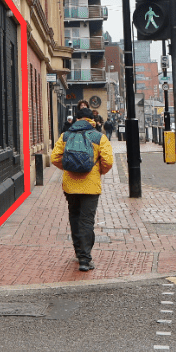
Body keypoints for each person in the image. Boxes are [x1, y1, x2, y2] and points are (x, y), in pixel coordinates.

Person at [50, 109, 114, 273]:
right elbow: (108, 161)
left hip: (70, 186)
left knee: (74, 217)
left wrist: (69, 168)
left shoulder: (65, 136)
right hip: (91, 186)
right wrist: (98, 172)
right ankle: (85, 260)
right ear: (92, 120)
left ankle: (79, 252)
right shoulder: (99, 137)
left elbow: (55, 158)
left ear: (76, 119)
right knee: (87, 221)